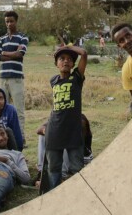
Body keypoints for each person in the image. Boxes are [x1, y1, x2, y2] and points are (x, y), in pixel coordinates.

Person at [45, 45, 88, 190]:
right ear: (56, 63)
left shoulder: (76, 78)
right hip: (54, 131)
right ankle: (54, 198)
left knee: (77, 169)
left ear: (73, 64)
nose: (66, 61)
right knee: (54, 169)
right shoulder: (53, 80)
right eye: (62, 58)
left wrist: (68, 47)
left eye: (70, 59)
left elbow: (84, 54)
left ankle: (77, 197)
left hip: (73, 131)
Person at [35, 114, 93, 187]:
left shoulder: (79, 120)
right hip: (65, 157)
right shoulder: (59, 118)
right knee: (44, 135)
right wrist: (48, 131)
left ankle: (62, 177)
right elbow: (38, 130)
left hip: (82, 158)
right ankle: (41, 171)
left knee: (64, 141)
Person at [0, 11, 28, 136]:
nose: (9, 24)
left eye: (11, 21)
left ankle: (21, 137)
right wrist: (13, 54)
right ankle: (5, 136)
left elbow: (20, 55)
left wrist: (5, 53)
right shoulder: (1, 39)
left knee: (19, 110)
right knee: (2, 109)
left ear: (16, 21)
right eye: (7, 21)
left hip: (16, 79)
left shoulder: (23, 37)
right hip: (3, 79)